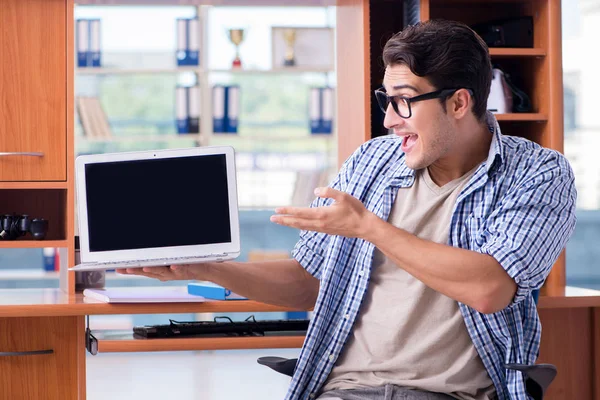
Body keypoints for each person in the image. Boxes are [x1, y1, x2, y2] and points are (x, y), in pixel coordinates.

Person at [118, 19, 576, 400]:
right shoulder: (371, 161)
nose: (389, 119)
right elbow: (308, 281)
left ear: (459, 102)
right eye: (385, 100)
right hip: (343, 390)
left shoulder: (536, 172)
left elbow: (489, 288)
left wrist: (370, 228)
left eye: (403, 101)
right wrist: (208, 269)